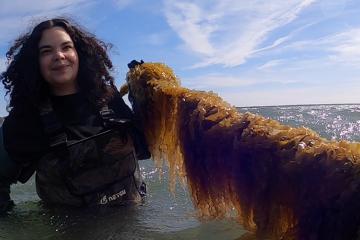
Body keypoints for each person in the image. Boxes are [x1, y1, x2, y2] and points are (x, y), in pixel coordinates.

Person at [0, 18, 150, 212]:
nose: (59, 55)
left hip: (136, 223)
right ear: (35, 62)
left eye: (66, 47)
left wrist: (145, 102)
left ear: (79, 53)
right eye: (46, 51)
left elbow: (144, 150)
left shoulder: (108, 97)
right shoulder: (26, 120)